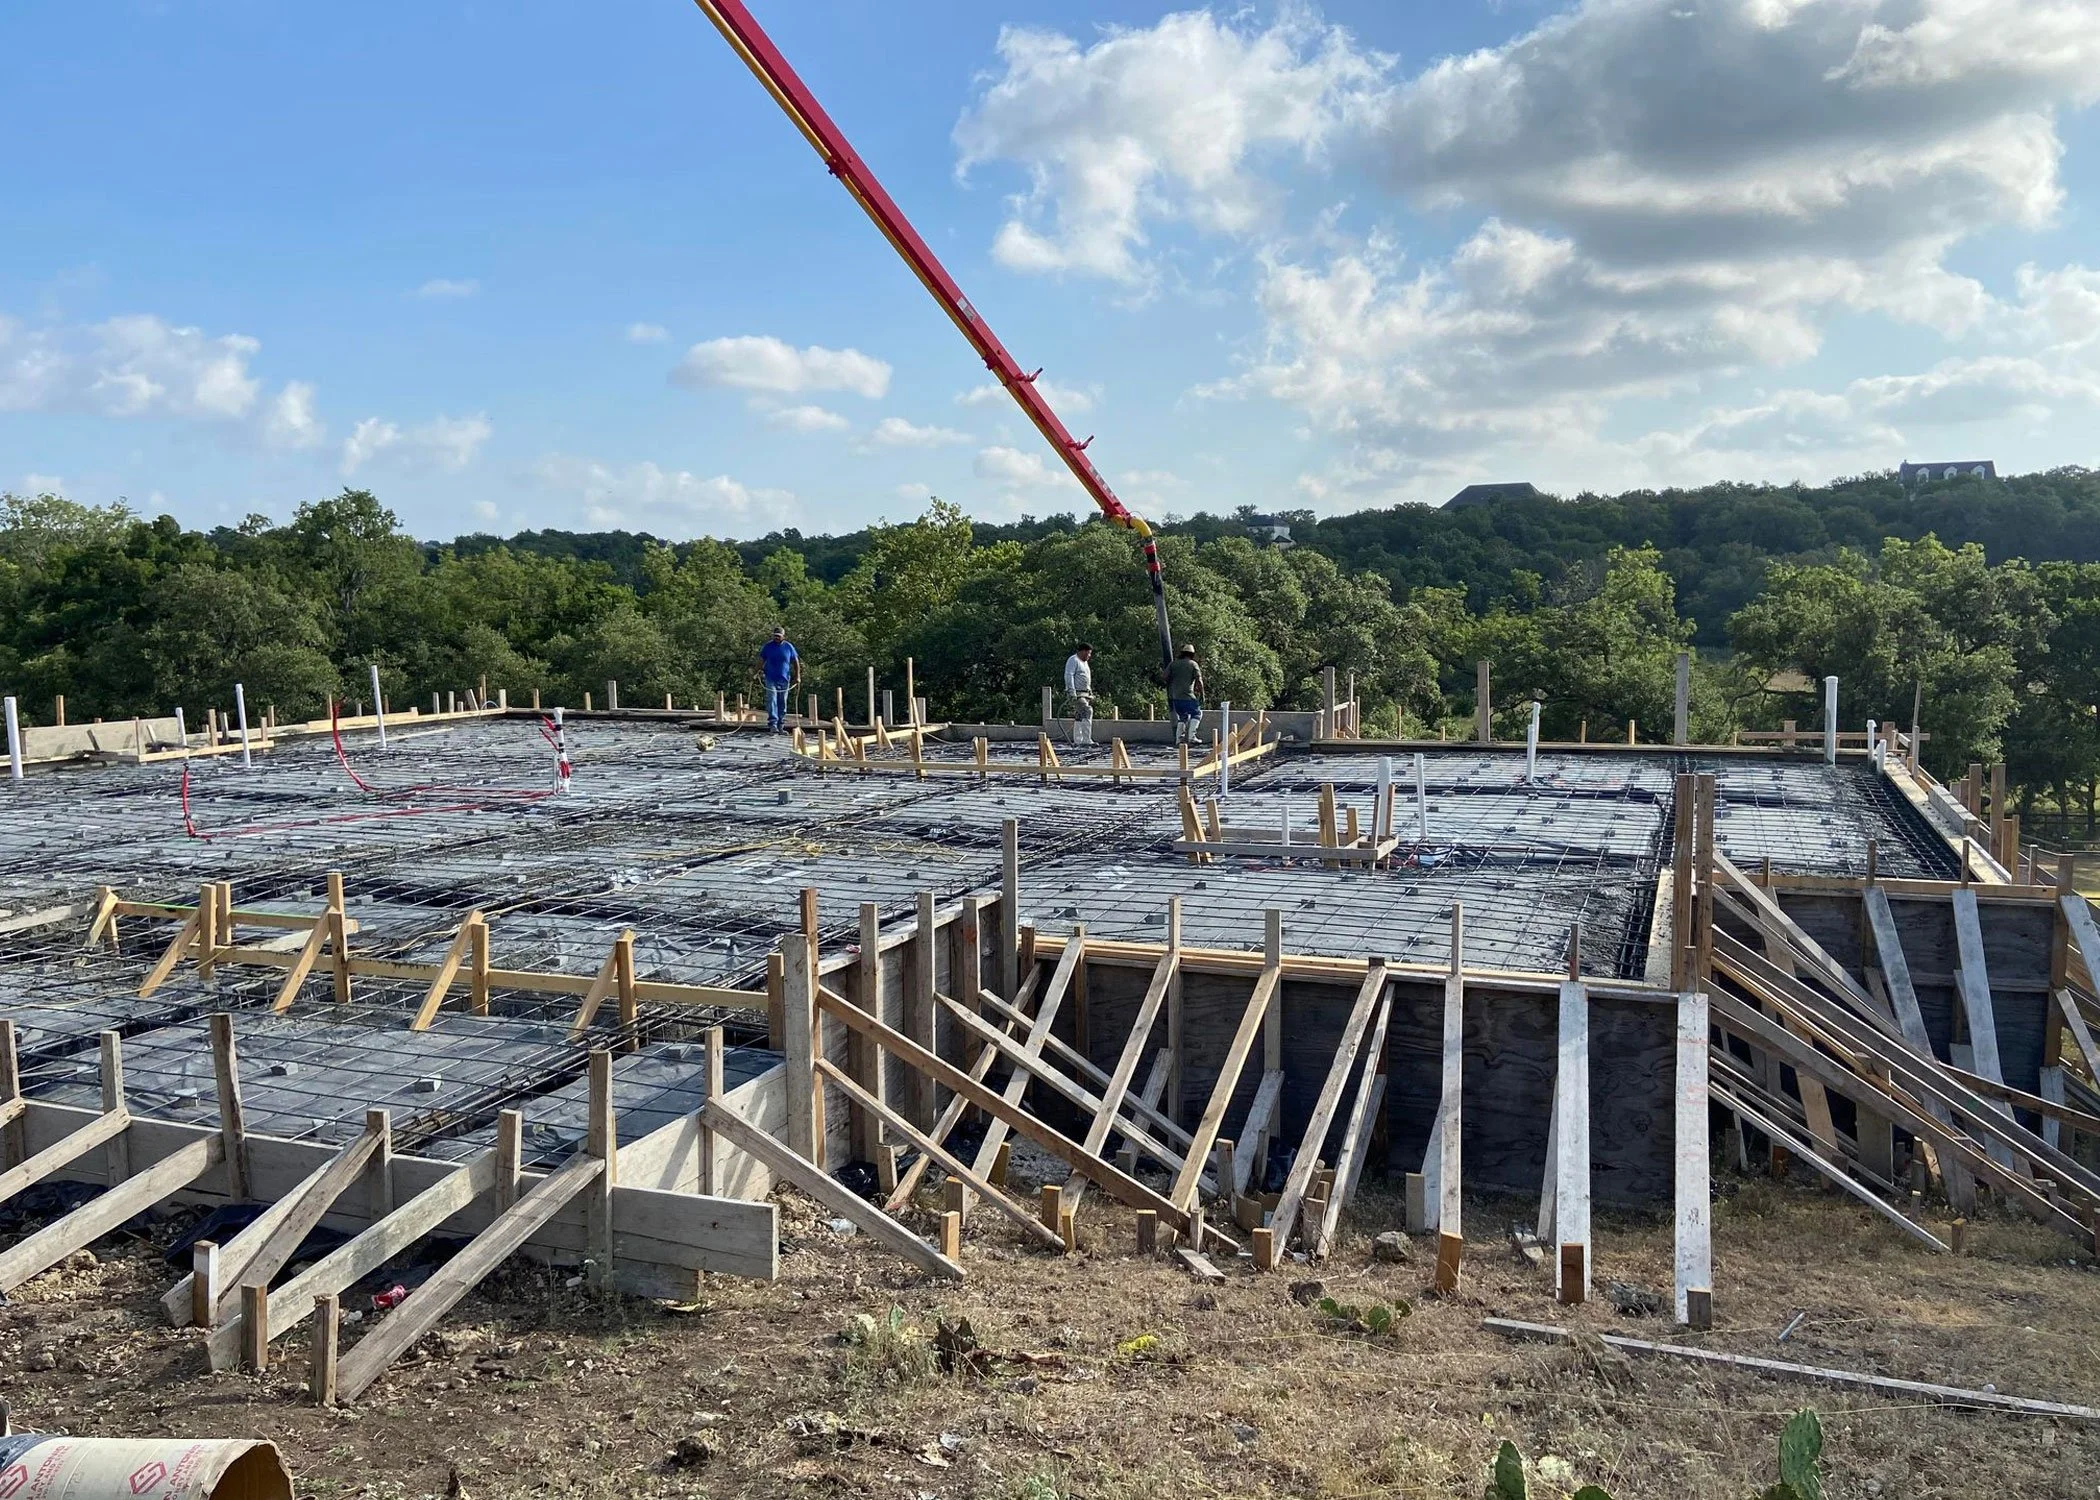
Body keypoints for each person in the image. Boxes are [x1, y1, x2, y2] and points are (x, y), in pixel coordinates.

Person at [759, 626, 800, 732]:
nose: (776, 638)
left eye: (778, 636)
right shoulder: (767, 647)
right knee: (772, 699)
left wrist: (797, 676)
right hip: (770, 678)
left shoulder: (789, 647)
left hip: (784, 679)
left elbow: (795, 662)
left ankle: (781, 724)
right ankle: (773, 724)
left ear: (783, 637)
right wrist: (756, 672)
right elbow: (761, 660)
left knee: (782, 702)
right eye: (775, 636)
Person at [1166, 644, 1205, 744]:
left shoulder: (1173, 664)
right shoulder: (1193, 664)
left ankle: (1178, 739)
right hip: (1187, 696)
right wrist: (1202, 694)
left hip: (1175, 697)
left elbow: (1164, 676)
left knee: (1182, 716)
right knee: (1197, 713)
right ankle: (1192, 736)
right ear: (1192, 654)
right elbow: (1199, 681)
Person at [1063, 642, 1095, 747]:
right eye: (1088, 653)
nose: (1089, 656)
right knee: (1087, 711)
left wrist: (1089, 691)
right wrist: (1072, 692)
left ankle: (1078, 740)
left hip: (1085, 693)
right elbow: (1069, 676)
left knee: (1079, 715)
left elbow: (1085, 678)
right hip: (1077, 693)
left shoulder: (1084, 663)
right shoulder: (1073, 660)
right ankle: (1086, 739)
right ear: (1083, 651)